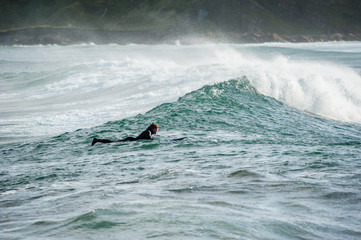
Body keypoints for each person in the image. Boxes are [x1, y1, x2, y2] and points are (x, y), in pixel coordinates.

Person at [91, 123, 159, 146]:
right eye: (157, 129)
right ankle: (97, 140)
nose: (157, 131)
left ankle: (97, 140)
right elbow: (150, 140)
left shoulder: (148, 131)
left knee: (113, 142)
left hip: (131, 139)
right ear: (153, 128)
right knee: (112, 142)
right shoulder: (148, 132)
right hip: (130, 140)